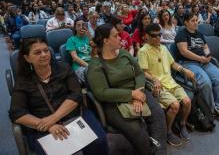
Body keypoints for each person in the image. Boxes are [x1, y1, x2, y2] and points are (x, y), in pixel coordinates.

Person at [9, 37, 108, 155]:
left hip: (73, 114)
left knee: (99, 142)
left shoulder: (63, 68)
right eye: (37, 52)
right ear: (27, 58)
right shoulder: (23, 81)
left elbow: (76, 95)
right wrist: (47, 125)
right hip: (42, 123)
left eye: (46, 50)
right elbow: (16, 113)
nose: (44, 55)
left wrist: (53, 118)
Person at [87, 24, 167, 155]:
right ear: (106, 41)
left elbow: (139, 73)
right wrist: (131, 95)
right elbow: (101, 93)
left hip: (138, 90)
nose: (120, 38)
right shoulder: (95, 65)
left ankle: (160, 152)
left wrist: (138, 93)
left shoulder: (124, 54)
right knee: (136, 129)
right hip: (114, 102)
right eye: (116, 36)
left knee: (158, 114)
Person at [138, 23, 194, 146]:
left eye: (160, 35)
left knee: (187, 101)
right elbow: (143, 71)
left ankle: (182, 124)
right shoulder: (143, 51)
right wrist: (154, 79)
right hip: (158, 86)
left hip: (170, 82)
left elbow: (173, 64)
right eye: (154, 36)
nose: (158, 38)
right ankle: (167, 132)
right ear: (147, 36)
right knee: (175, 105)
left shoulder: (163, 48)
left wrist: (184, 70)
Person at [175, 13, 219, 124]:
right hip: (189, 63)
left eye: (197, 20)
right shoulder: (181, 34)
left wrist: (208, 56)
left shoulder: (199, 34)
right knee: (205, 82)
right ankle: (210, 110)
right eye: (193, 20)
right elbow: (184, 52)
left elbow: (206, 48)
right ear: (186, 22)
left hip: (203, 62)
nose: (196, 22)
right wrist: (201, 59)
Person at [66, 18, 92, 83]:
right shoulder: (71, 40)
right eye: (78, 25)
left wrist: (90, 37)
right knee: (94, 75)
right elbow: (75, 58)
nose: (81, 27)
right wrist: (89, 66)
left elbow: (96, 52)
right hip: (79, 67)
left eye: (83, 25)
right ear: (75, 28)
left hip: (92, 64)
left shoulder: (88, 38)